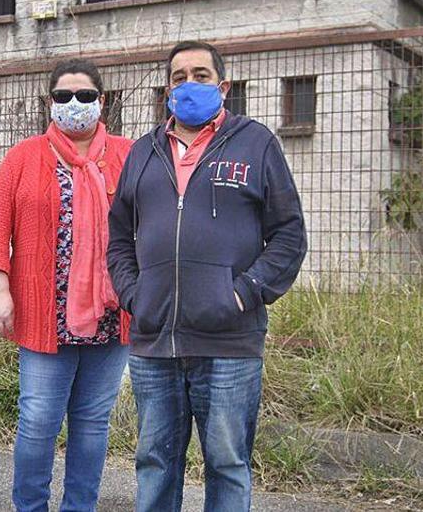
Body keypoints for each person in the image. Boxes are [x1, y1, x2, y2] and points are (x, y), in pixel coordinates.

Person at [106, 41, 308, 512]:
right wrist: (135, 295)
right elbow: (118, 237)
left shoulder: (256, 143)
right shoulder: (143, 152)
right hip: (155, 340)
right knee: (154, 462)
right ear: (167, 88)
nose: (189, 84)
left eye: (200, 74)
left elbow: (288, 235)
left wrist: (243, 293)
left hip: (228, 341)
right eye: (179, 77)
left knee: (227, 463)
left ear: (223, 85)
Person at [0, 59, 133, 512]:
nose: (74, 104)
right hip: (45, 315)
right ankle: (30, 507)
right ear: (50, 103)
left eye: (85, 95)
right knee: (38, 420)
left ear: (102, 102)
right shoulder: (24, 156)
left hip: (111, 315)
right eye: (63, 96)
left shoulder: (128, 155)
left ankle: (79, 507)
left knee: (91, 422)